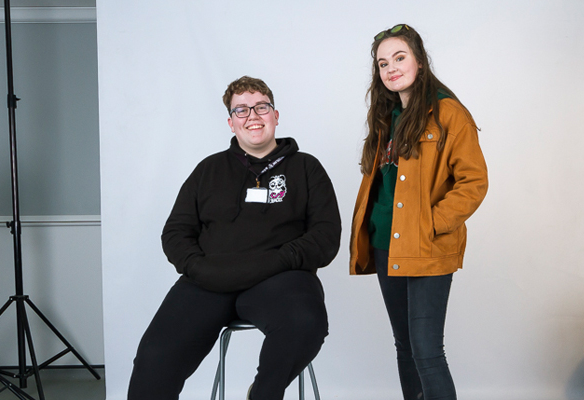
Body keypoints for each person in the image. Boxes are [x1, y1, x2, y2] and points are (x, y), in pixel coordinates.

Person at [129, 76, 342, 400]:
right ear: (231, 122)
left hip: (280, 279)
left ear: (275, 115)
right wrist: (198, 268)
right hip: (208, 281)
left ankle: (262, 394)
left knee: (304, 323)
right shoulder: (208, 170)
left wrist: (279, 260)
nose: (252, 116)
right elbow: (176, 231)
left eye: (261, 107)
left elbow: (326, 235)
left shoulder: (306, 168)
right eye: (241, 110)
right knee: (155, 355)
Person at [349, 24, 488, 400]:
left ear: (420, 61)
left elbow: (473, 183)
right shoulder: (385, 116)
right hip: (384, 245)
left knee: (427, 352)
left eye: (399, 57)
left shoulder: (449, 113)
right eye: (382, 63)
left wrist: (431, 224)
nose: (391, 68)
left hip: (425, 246)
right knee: (406, 348)